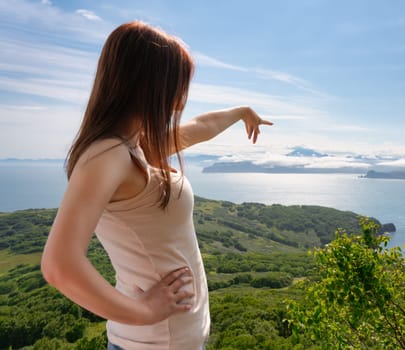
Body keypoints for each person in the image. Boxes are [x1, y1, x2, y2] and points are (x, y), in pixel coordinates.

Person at [41, 21, 272, 350]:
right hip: (150, 343)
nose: (181, 98)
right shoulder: (108, 155)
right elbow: (59, 266)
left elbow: (199, 126)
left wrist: (241, 112)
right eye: (178, 83)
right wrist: (143, 311)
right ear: (150, 82)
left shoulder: (135, 145)